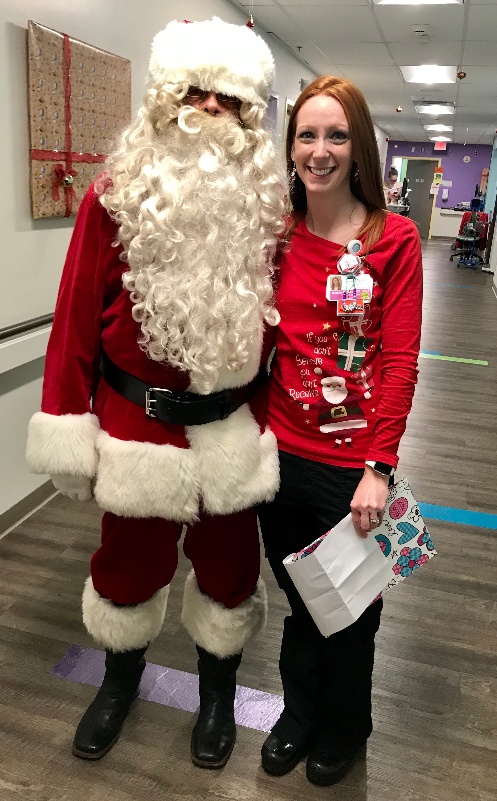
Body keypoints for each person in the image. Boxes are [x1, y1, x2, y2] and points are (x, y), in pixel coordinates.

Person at [26, 16, 284, 769]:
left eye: (226, 100)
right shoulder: (111, 199)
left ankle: (216, 695)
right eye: (193, 94)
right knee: (126, 569)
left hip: (231, 431)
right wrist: (70, 431)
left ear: (246, 115)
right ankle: (117, 682)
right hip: (137, 429)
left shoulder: (270, 212)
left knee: (232, 576)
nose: (208, 110)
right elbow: (73, 322)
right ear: (167, 101)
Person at [257, 75, 422, 786]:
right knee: (299, 599)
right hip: (276, 454)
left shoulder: (394, 240)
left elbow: (401, 360)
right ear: (289, 145)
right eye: (305, 134)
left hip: (351, 465)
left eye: (335, 135)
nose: (318, 151)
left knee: (351, 610)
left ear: (357, 148)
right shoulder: (275, 234)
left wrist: (377, 467)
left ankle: (344, 724)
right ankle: (298, 712)